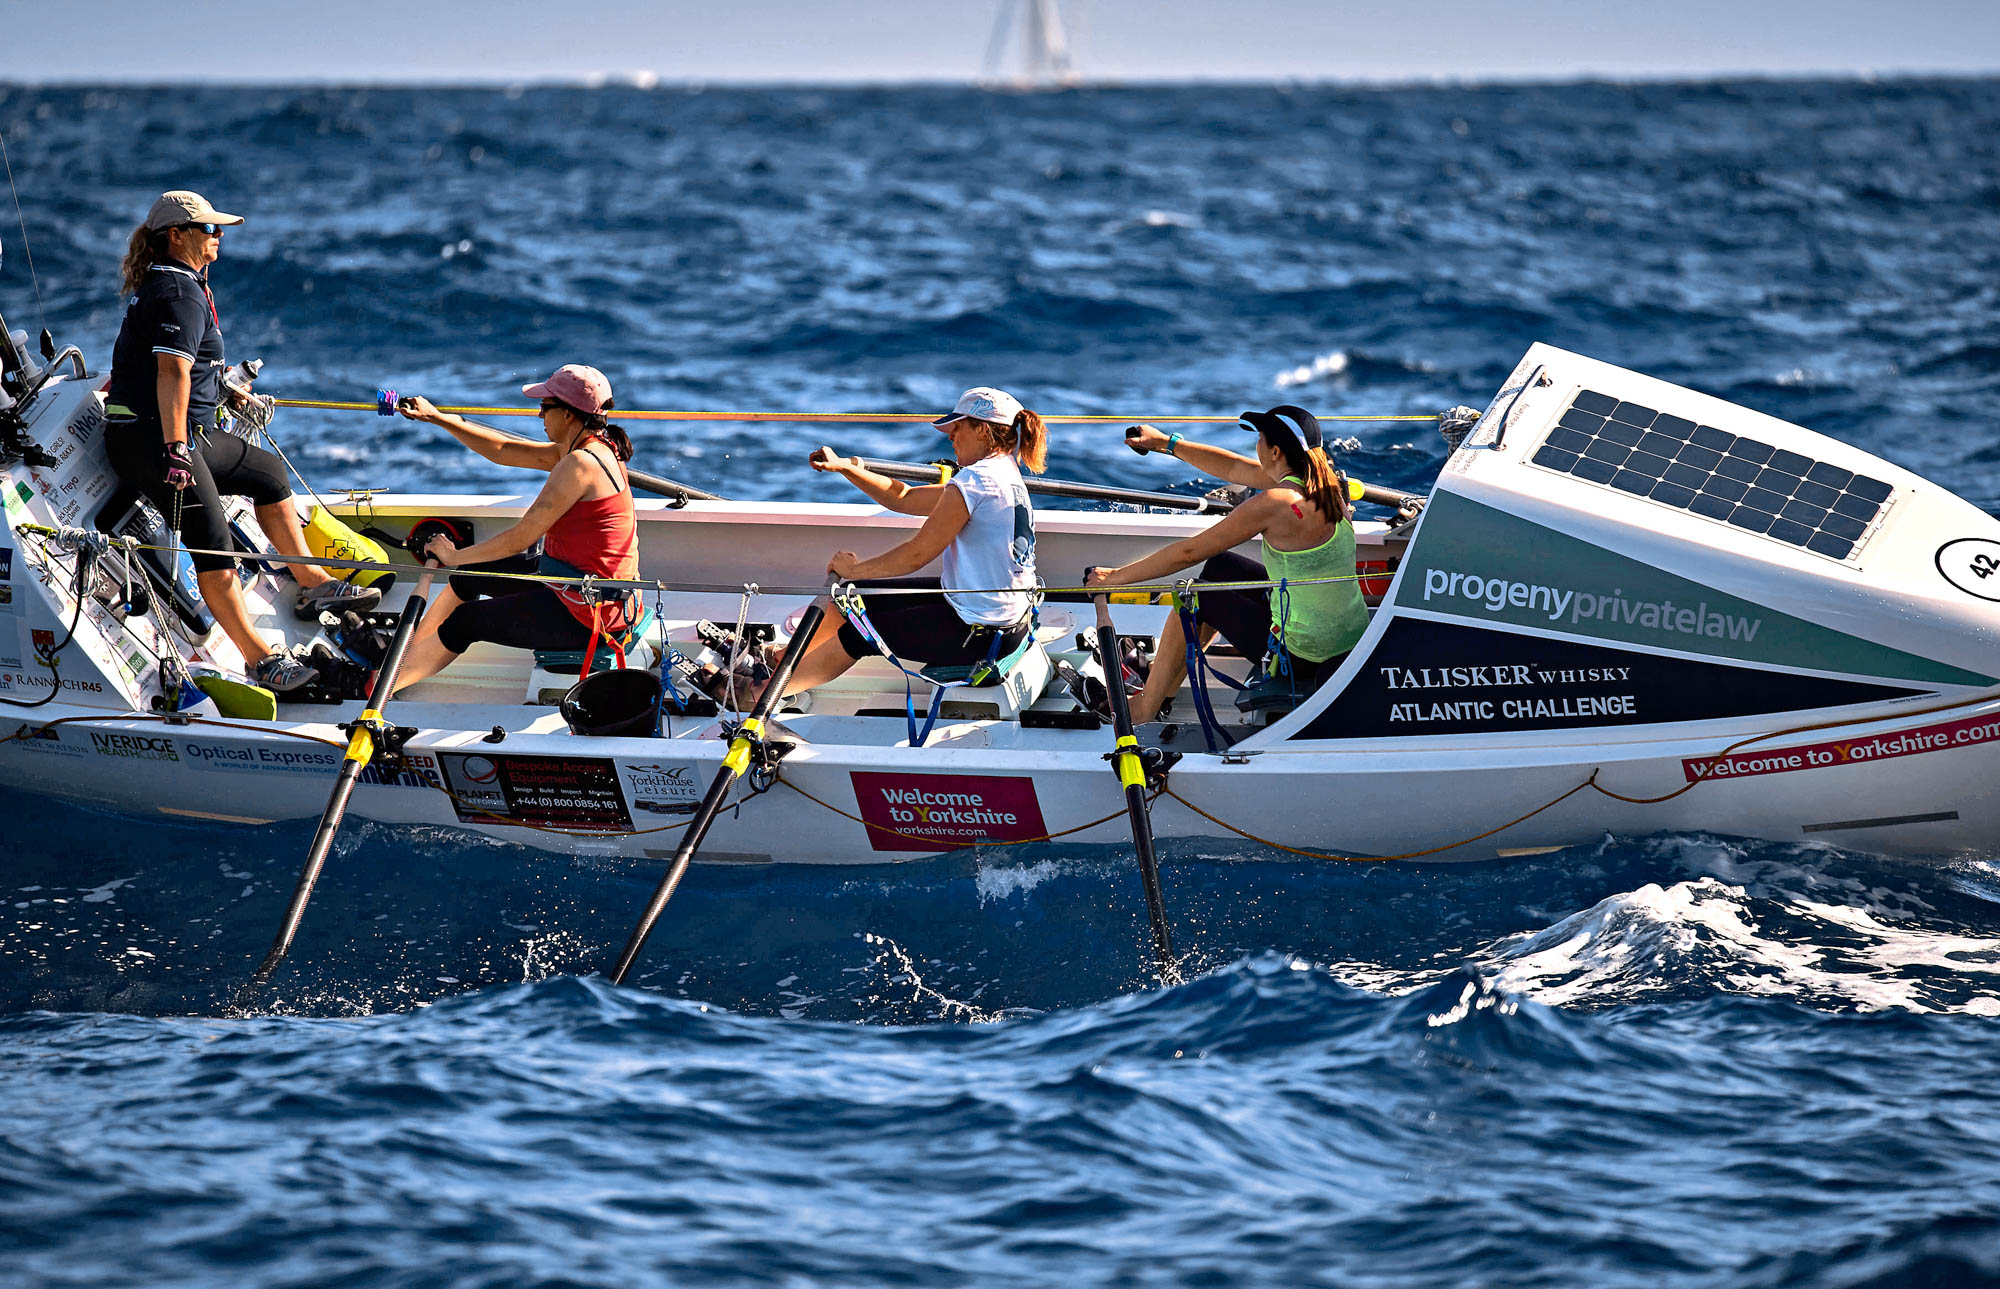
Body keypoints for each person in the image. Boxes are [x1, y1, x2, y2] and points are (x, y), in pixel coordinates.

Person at [104, 190, 378, 692]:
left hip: (191, 430)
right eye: (209, 229)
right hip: (153, 440)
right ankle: (260, 660)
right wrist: (174, 449)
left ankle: (313, 584)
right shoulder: (178, 293)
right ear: (177, 236)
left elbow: (179, 368)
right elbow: (170, 372)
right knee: (213, 543)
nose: (219, 235)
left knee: (269, 476)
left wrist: (224, 389)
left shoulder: (180, 283)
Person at [730, 386, 1047, 705]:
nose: (950, 436)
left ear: (981, 429)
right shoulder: (1004, 475)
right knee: (854, 595)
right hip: (999, 621)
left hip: (982, 634)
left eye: (957, 428)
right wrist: (846, 467)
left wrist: (854, 569)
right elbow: (904, 497)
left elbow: (917, 554)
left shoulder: (976, 482)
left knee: (859, 632)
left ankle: (761, 694)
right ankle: (784, 658)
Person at [1083, 404, 1368, 723]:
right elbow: (1235, 468)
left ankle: (1144, 708)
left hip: (1307, 651)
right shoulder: (1323, 482)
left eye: (1259, 439)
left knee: (1194, 595)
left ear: (1274, 451)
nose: (1256, 446)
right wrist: (1166, 444)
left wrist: (1115, 578)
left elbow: (1188, 553)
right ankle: (1164, 688)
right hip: (1347, 634)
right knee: (1221, 567)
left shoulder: (1278, 503)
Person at [387, 365, 640, 693]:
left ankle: (381, 686)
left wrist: (453, 555)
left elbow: (521, 538)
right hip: (572, 585)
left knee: (466, 622)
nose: (539, 416)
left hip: (588, 614)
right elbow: (503, 450)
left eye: (545, 408)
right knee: (469, 575)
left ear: (567, 415)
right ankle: (403, 657)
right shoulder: (593, 449)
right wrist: (436, 417)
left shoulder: (579, 465)